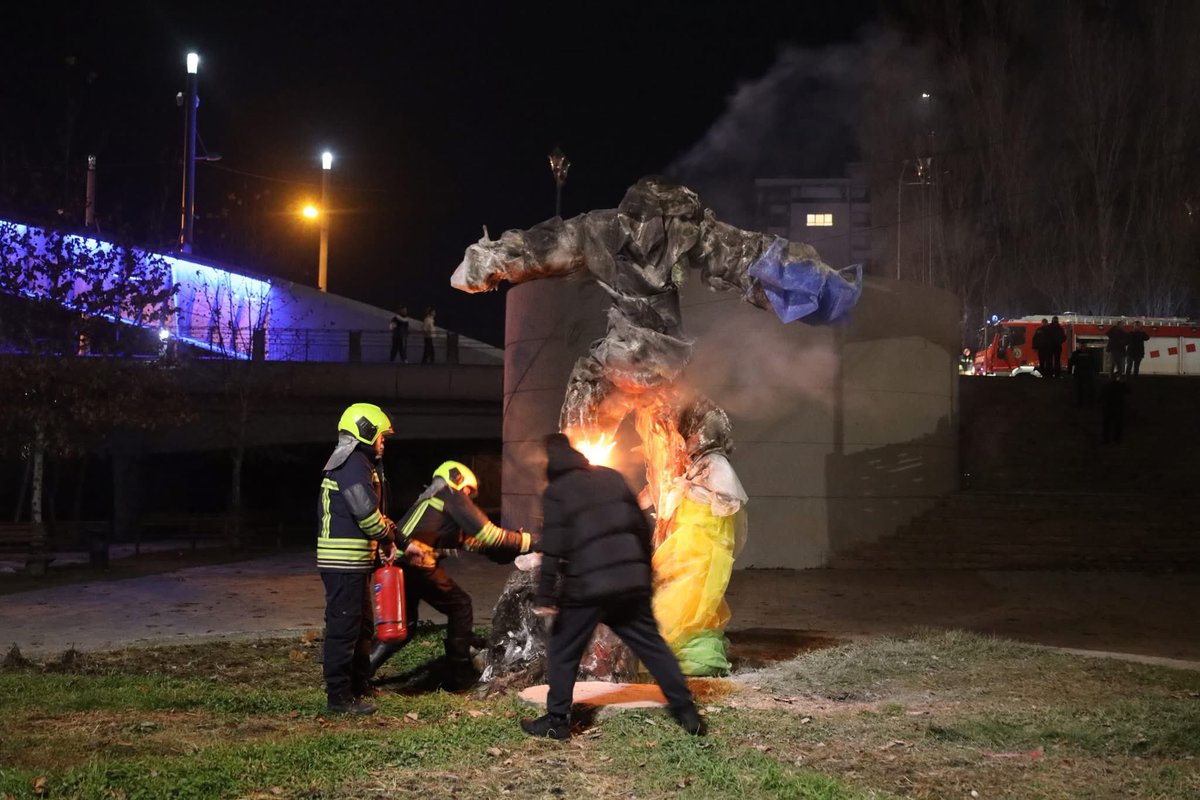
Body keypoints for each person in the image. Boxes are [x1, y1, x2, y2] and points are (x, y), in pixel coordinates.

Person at [521, 434, 705, 740]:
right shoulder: (612, 477)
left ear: (550, 462)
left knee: (563, 648)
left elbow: (553, 546)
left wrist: (545, 594)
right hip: (630, 583)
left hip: (587, 586)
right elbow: (640, 525)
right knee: (652, 646)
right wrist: (645, 573)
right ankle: (686, 711)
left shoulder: (557, 490)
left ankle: (557, 720)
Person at [368, 460, 534, 688]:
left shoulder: (433, 503)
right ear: (459, 480)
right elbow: (489, 535)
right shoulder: (449, 494)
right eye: (468, 491)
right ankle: (459, 671)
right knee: (460, 605)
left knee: (404, 629)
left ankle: (360, 673)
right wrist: (531, 541)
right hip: (415, 562)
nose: (468, 497)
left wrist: (515, 545)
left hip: (401, 565)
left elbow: (477, 544)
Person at [318, 403, 398, 715]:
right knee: (344, 628)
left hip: (354, 562)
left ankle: (359, 685)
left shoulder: (358, 463)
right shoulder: (352, 464)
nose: (383, 442)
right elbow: (366, 515)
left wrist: (383, 541)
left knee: (362, 627)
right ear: (365, 431)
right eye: (381, 435)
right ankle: (339, 698)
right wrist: (388, 536)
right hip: (343, 564)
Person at [1100, 375, 1130, 443]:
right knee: (1118, 424)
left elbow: (1101, 397)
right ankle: (1117, 439)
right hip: (1118, 407)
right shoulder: (1120, 386)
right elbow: (1129, 390)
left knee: (1107, 424)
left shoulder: (1107, 386)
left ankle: (1106, 439)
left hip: (1109, 407)